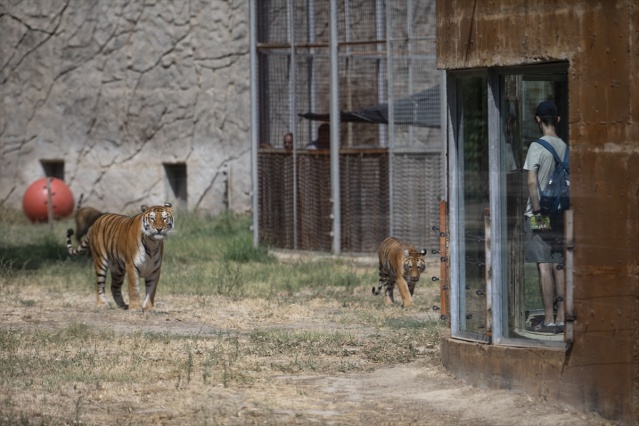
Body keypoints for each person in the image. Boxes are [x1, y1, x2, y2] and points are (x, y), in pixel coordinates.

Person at [523, 100, 567, 334]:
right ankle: (561, 318)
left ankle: (548, 320)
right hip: (560, 213)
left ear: (538, 120)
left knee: (544, 266)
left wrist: (538, 213)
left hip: (540, 212)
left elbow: (532, 182)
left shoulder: (536, 147)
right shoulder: (564, 147)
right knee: (559, 265)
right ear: (557, 120)